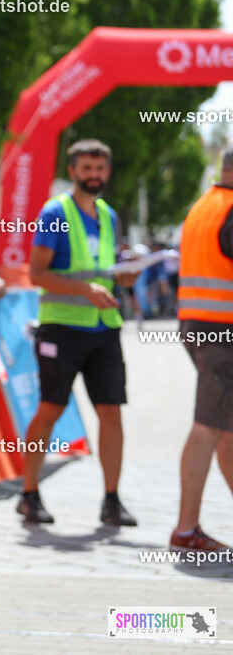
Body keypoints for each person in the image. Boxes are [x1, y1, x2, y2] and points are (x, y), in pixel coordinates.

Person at [17, 139, 139, 527]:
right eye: (87, 168)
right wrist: (86, 290)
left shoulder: (108, 215)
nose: (94, 175)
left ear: (107, 171)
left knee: (111, 412)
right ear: (72, 171)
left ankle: (112, 500)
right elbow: (37, 273)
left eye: (100, 168)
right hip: (62, 329)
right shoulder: (56, 213)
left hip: (104, 329)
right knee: (50, 409)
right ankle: (29, 494)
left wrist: (123, 277)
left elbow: (102, 270)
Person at [170, 147, 233, 552]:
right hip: (223, 331)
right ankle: (186, 529)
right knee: (209, 425)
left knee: (225, 427)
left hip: (199, 325)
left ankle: (187, 528)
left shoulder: (204, 205)